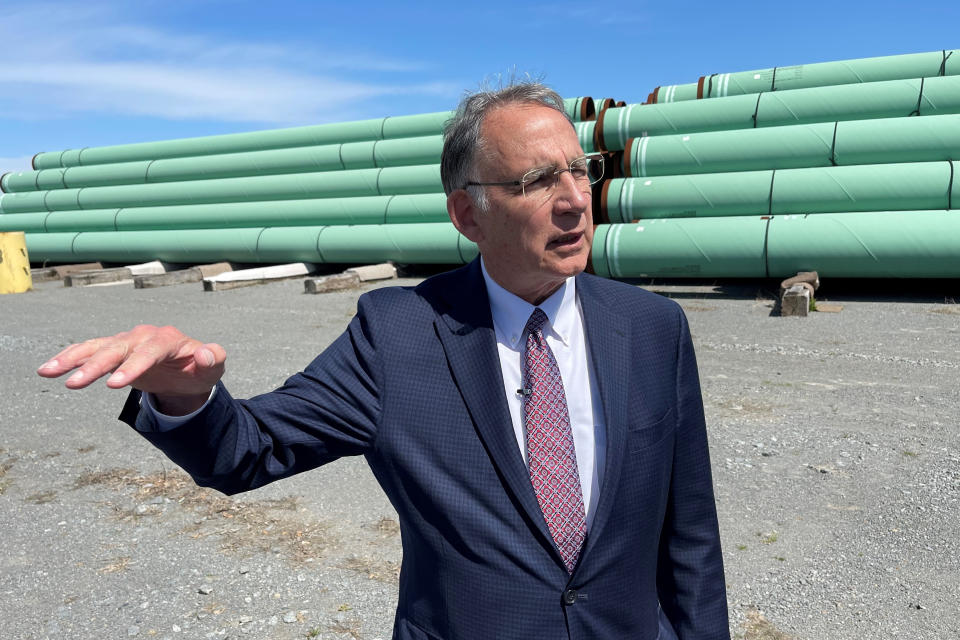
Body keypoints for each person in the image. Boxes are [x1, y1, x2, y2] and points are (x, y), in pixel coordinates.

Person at [38, 82, 729, 639]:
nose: (576, 199)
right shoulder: (397, 334)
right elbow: (247, 452)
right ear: (469, 214)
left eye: (581, 170)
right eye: (539, 179)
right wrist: (184, 397)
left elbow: (689, 533)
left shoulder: (651, 327)